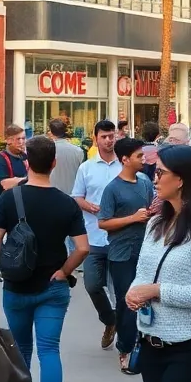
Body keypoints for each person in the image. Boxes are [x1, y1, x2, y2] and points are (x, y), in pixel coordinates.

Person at [0, 136, 89, 382]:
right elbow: (82, 248)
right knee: (49, 349)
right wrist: (64, 271)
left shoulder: (9, 198)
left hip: (17, 285)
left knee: (21, 349)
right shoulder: (67, 203)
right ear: (54, 163)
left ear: (26, 163)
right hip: (53, 286)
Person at [126, 144, 191, 382]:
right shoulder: (155, 223)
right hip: (150, 340)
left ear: (181, 180)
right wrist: (134, 291)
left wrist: (156, 291)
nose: (154, 179)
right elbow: (143, 273)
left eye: (160, 172)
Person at [97, 137, 156, 372]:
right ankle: (125, 348)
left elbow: (149, 211)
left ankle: (144, 344)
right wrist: (133, 218)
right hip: (121, 253)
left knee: (146, 299)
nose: (144, 159)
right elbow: (103, 222)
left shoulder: (145, 182)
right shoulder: (112, 188)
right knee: (127, 301)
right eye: (139, 156)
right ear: (125, 159)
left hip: (146, 250)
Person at [71, 119, 120, 350]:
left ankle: (127, 339)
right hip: (94, 236)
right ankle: (110, 320)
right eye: (104, 137)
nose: (109, 140)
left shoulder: (125, 166)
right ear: (96, 139)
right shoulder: (86, 168)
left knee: (122, 289)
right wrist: (89, 206)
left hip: (120, 238)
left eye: (112, 136)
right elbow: (77, 197)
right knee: (92, 284)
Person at [46, 118, 85, 196]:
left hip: (51, 195)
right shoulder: (78, 151)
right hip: (72, 196)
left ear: (51, 132)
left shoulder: (46, 150)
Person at [0, 124, 28, 203]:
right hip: (7, 204)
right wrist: (29, 179)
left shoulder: (25, 157)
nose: (21, 142)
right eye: (18, 139)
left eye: (23, 138)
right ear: (8, 141)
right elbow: (5, 184)